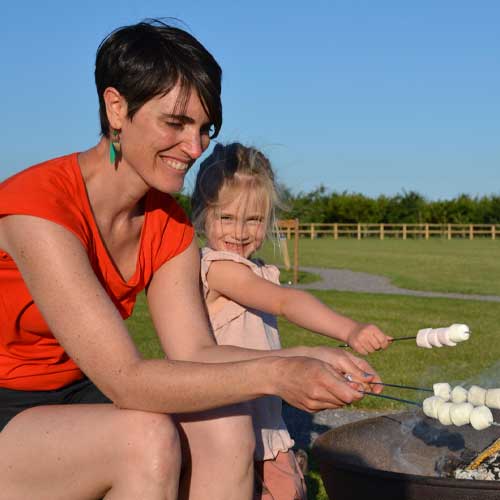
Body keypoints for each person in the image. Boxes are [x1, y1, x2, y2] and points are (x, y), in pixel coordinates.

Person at [0, 19, 382, 500]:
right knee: (145, 438)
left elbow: (196, 352)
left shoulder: (168, 221)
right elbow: (127, 381)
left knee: (225, 423)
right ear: (116, 106)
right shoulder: (39, 208)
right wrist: (275, 374)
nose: (196, 148)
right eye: (176, 123)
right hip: (10, 412)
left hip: (77, 398)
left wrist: (303, 356)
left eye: (205, 128)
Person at [191, 142, 393, 499]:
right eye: (226, 217)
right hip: (218, 423)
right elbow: (286, 301)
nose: (239, 232)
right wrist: (348, 329)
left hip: (266, 422)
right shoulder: (217, 268)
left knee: (290, 493)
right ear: (202, 214)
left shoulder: (256, 270)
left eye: (253, 219)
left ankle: (293, 467)